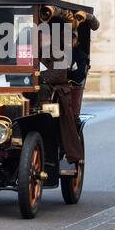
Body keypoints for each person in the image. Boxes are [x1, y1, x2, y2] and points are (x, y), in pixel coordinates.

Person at [39, 29, 85, 164]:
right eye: (41, 38)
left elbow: (59, 75)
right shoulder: (31, 53)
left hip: (55, 92)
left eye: (45, 37)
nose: (43, 40)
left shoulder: (57, 53)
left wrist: (37, 78)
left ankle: (67, 149)